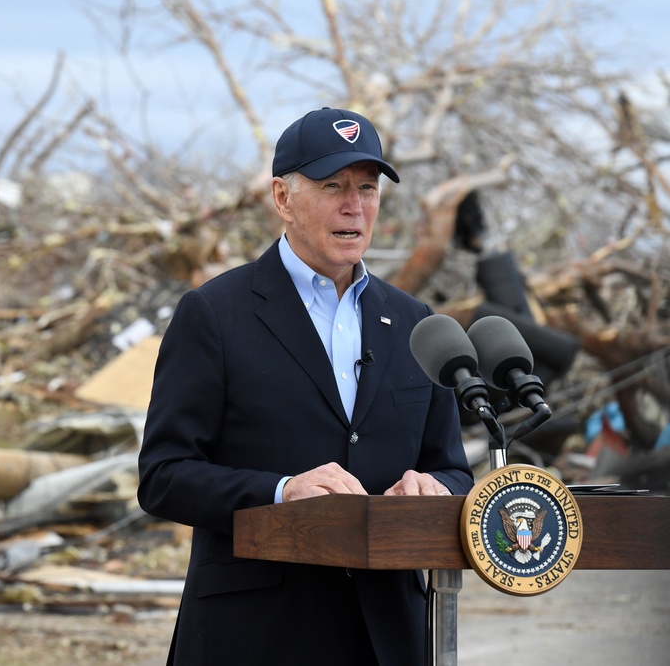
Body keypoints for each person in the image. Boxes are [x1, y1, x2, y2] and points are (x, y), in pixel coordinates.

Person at [137, 107, 474, 666]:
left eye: (367, 188)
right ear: (282, 197)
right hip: (255, 634)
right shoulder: (214, 314)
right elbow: (164, 477)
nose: (354, 205)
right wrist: (281, 491)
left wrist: (433, 486)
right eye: (332, 186)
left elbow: (453, 467)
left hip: (390, 635)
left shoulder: (419, 325)